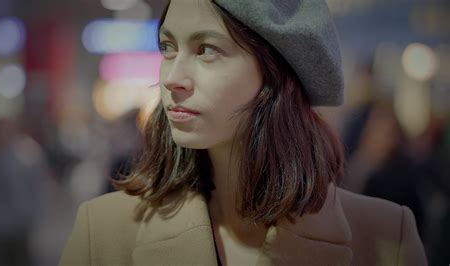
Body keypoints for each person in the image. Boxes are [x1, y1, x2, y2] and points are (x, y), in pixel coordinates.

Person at [59, 0, 427, 265]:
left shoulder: (385, 236)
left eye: (206, 50)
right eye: (168, 48)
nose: (171, 78)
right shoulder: (103, 231)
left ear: (275, 73)